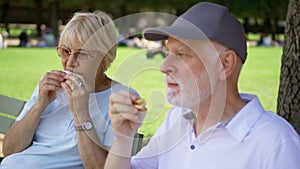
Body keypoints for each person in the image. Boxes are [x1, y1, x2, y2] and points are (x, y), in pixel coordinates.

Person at [105, 2, 300, 169]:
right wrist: (123, 138)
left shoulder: (276, 143)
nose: (164, 67)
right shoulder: (176, 119)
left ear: (224, 64)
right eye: (167, 53)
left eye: (181, 55)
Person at [1, 11, 139, 169]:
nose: (70, 62)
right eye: (65, 52)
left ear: (104, 58)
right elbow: (9, 150)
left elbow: (101, 167)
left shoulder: (122, 98)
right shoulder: (49, 87)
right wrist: (39, 104)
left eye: (82, 54)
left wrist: (80, 112)